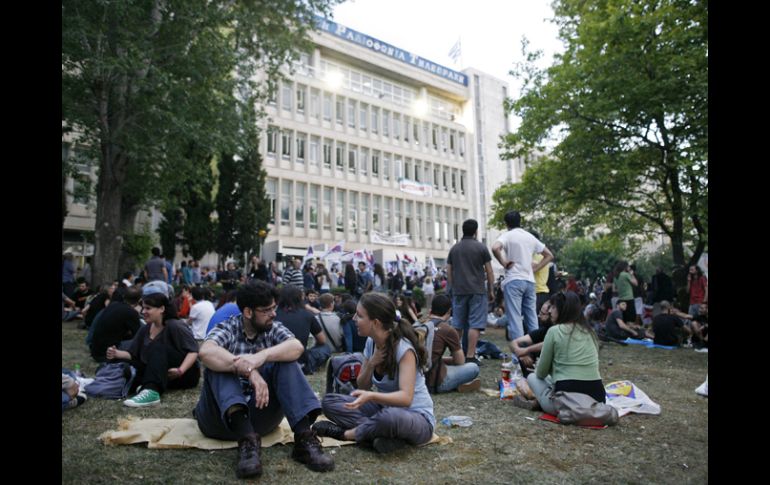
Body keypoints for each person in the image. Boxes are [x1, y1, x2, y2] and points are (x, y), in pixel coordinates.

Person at [194, 281, 334, 479]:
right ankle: (247, 444)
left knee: (285, 360)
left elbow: (296, 347)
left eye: (274, 308)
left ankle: (304, 439)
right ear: (248, 312)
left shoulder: (273, 328)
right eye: (267, 310)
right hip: (219, 420)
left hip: (260, 418)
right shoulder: (228, 327)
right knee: (218, 365)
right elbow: (206, 351)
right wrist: (248, 370)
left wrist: (263, 356)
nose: (274, 314)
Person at [313, 293, 435, 454]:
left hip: (416, 418)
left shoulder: (404, 350)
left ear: (375, 323)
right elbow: (363, 384)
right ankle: (381, 435)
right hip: (384, 409)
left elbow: (406, 399)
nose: (354, 318)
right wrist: (371, 363)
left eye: (360, 315)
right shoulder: (371, 343)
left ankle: (347, 434)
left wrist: (371, 396)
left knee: (388, 418)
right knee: (329, 402)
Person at [106, 288, 200, 407]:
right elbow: (134, 354)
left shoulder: (175, 325)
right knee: (125, 363)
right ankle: (120, 381)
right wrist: (117, 354)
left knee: (158, 346)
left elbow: (193, 351)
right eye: (143, 308)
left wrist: (180, 370)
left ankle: (152, 391)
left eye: (148, 308)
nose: (143, 311)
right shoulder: (146, 328)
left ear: (161, 309)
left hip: (184, 373)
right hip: (161, 372)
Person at [523, 291, 606, 414]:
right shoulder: (590, 332)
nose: (550, 311)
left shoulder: (554, 331)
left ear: (563, 309)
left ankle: (540, 401)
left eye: (553, 307)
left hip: (565, 404)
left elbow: (541, 373)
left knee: (532, 377)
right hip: (597, 401)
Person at [491, 211, 554, 360]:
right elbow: (549, 255)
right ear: (521, 221)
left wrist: (503, 262)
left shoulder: (507, 235)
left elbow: (495, 248)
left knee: (515, 320)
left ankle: (520, 357)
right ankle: (537, 354)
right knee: (532, 318)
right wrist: (536, 268)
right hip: (529, 281)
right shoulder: (529, 236)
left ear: (506, 224)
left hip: (514, 280)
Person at [447, 219, 496, 365]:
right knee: (475, 324)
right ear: (476, 231)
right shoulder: (481, 248)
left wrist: (452, 286)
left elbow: (449, 270)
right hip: (477, 290)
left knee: (458, 324)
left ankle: (456, 354)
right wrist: (491, 290)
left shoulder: (454, 249)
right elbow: (489, 271)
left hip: (459, 290)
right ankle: (470, 355)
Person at [423, 295, 480, 393]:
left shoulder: (419, 324)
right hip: (435, 383)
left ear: (431, 309)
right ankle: (458, 384)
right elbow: (460, 361)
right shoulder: (447, 329)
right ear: (449, 311)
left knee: (447, 367)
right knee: (473, 367)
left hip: (416, 381)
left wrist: (441, 359)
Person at [275, 286, 331, 374]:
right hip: (302, 362)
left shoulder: (274, 316)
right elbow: (322, 340)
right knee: (325, 348)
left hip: (277, 361)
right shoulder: (307, 315)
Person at [89, 286, 143, 362]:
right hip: (108, 354)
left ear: (124, 296)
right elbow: (138, 335)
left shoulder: (113, 305)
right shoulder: (131, 312)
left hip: (96, 351)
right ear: (140, 300)